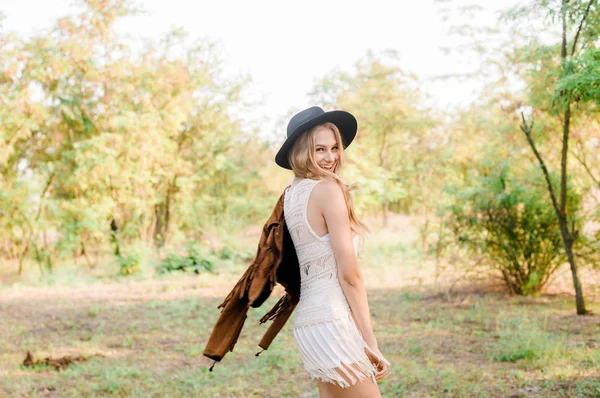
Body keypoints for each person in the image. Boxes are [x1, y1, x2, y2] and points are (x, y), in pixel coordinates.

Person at [275, 106, 390, 397]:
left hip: (309, 324)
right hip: (334, 322)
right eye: (320, 149)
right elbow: (350, 275)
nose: (330, 157)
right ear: (302, 152)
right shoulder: (328, 191)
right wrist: (369, 341)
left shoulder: (291, 194)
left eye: (335, 148)